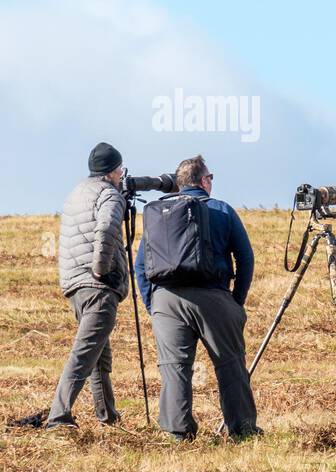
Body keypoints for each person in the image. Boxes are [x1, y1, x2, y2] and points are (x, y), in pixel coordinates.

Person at [134, 155, 258, 440]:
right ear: (204, 181)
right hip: (212, 295)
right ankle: (242, 429)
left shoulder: (160, 215)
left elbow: (141, 265)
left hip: (166, 299)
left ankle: (178, 432)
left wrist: (153, 305)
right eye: (211, 177)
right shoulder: (222, 210)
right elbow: (245, 258)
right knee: (229, 364)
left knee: (175, 367)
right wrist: (235, 302)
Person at [46, 143, 130, 429]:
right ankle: (58, 416)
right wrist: (102, 271)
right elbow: (106, 229)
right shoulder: (109, 195)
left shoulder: (77, 193)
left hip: (74, 285)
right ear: (113, 170)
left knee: (98, 353)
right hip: (97, 287)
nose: (122, 175)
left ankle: (107, 415)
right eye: (120, 169)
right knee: (85, 352)